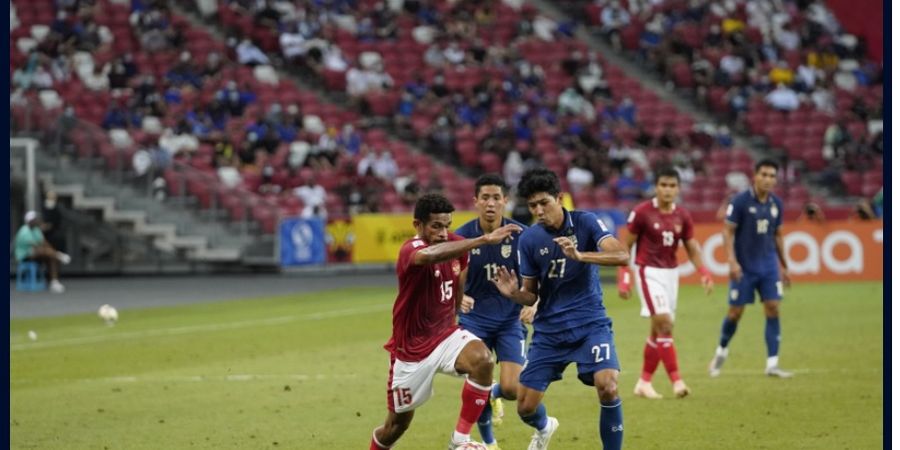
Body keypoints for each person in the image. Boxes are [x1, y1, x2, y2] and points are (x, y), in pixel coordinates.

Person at [370, 194, 522, 450]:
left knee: (483, 360)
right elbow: (430, 256)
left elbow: (458, 280)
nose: (443, 233)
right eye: (436, 226)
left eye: (447, 226)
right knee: (395, 428)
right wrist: (484, 239)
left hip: (444, 334)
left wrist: (457, 308)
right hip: (411, 351)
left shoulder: (457, 245)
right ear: (418, 225)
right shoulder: (410, 250)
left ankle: (459, 440)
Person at [492, 168, 630, 450]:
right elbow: (531, 296)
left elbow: (622, 255)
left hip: (590, 324)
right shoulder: (529, 239)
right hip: (550, 333)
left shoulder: (586, 223)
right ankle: (545, 427)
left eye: (545, 203)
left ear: (560, 198)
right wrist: (514, 294)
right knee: (525, 407)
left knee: (608, 385)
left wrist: (580, 255)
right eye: (533, 206)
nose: (539, 210)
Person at [618, 167, 714, 400]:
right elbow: (625, 246)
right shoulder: (642, 212)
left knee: (657, 330)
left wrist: (703, 271)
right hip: (648, 272)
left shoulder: (682, 215)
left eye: (672, 186)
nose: (668, 190)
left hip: (671, 275)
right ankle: (677, 381)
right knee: (665, 324)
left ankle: (644, 382)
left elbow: (691, 246)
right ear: (656, 187)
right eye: (663, 185)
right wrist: (625, 276)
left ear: (678, 189)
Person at [455, 174, 534, 449]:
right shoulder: (463, 236)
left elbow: (539, 275)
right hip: (474, 321)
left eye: (496, 198)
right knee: (480, 378)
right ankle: (489, 443)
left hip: (510, 320)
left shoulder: (522, 235)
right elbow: (449, 275)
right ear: (475, 201)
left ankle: (493, 394)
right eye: (485, 198)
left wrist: (533, 303)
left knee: (512, 389)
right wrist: (459, 296)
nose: (491, 203)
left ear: (506, 201)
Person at [709, 159, 793, 378]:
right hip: (744, 268)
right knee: (735, 312)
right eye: (763, 174)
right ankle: (721, 350)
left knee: (773, 307)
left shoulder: (776, 204)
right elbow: (727, 232)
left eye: (772, 175)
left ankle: (772, 364)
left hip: (768, 267)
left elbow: (778, 235)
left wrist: (784, 266)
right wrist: (732, 261)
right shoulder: (740, 201)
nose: (768, 179)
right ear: (755, 176)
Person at [14, 211, 71, 293]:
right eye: (35, 219)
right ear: (29, 221)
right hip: (24, 257)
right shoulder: (24, 231)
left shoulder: (36, 230)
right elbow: (36, 246)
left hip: (37, 254)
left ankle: (54, 282)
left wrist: (52, 251)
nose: (37, 221)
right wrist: (52, 252)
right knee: (41, 250)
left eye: (37, 219)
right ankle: (59, 255)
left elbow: (44, 243)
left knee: (51, 258)